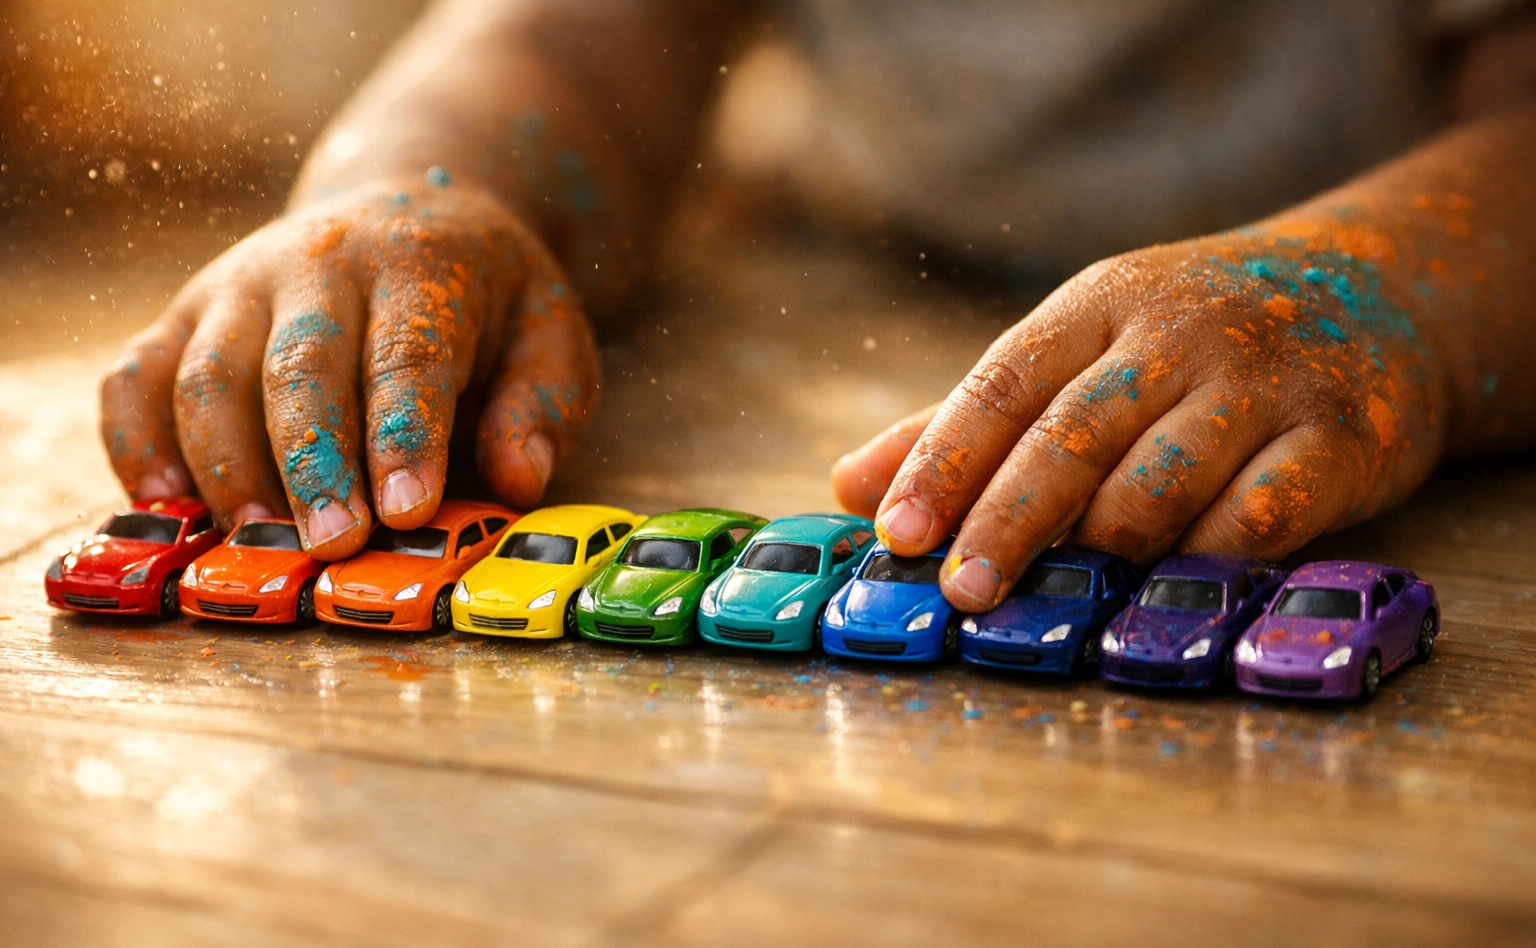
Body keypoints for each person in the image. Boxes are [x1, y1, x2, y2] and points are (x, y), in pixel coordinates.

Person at [99, 0, 1536, 614]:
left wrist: (1380, 295)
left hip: (1408, 303)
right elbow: (569, 38)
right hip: (863, 266)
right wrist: (424, 187)